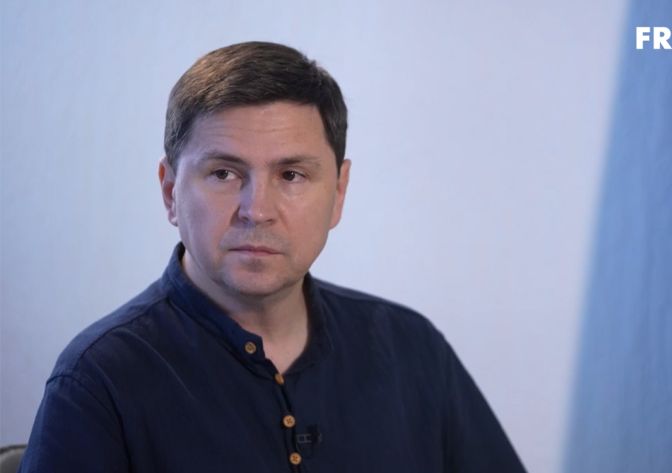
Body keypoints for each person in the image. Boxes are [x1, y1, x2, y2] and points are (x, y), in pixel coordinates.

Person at [20, 41, 526, 473]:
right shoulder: (99, 380)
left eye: (291, 175)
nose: (257, 210)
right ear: (171, 190)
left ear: (339, 192)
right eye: (223, 173)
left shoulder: (411, 348)